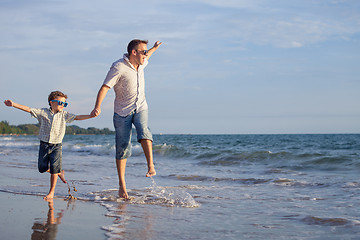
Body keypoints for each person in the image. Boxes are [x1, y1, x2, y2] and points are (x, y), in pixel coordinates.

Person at [91, 39, 162, 199]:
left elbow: (149, 54)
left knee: (143, 130)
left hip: (141, 106)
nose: (146, 54)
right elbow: (105, 87)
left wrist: (155, 48)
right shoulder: (118, 67)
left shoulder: (142, 62)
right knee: (123, 147)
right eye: (143, 51)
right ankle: (122, 187)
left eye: (145, 52)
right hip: (122, 112)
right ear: (133, 53)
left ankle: (150, 164)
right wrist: (97, 106)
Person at [4, 91, 94, 200]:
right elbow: (28, 109)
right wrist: (13, 104)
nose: (62, 105)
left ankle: (51, 192)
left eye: (64, 104)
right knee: (42, 168)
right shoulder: (43, 112)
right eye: (60, 103)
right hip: (44, 145)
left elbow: (78, 117)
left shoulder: (64, 115)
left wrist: (91, 115)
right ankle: (59, 171)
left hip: (57, 145)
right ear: (51, 102)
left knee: (54, 170)